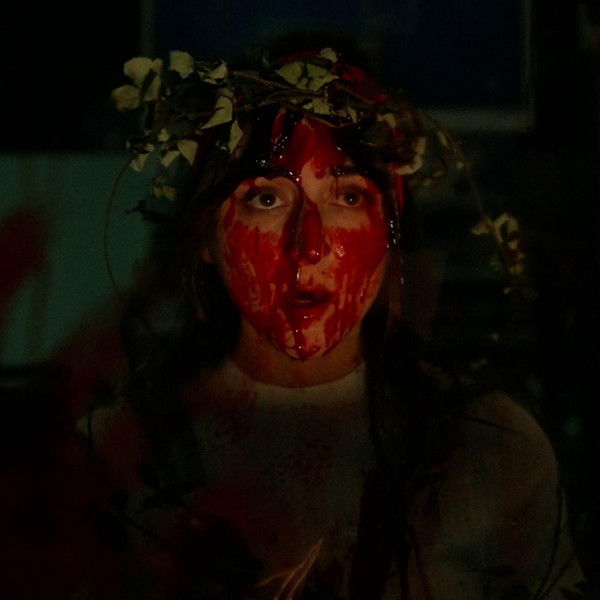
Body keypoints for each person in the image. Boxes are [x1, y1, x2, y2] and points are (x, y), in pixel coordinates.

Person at [85, 38, 588, 599]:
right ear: (205, 232)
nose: (309, 246)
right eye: (267, 199)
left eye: (347, 197)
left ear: (390, 231)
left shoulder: (491, 448)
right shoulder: (118, 451)